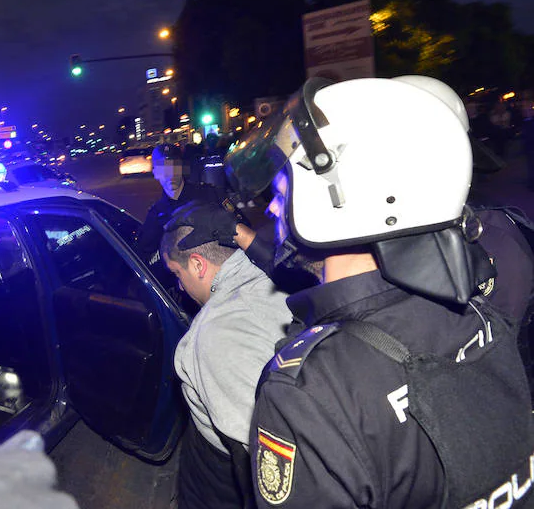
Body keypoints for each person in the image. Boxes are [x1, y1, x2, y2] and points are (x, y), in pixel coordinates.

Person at [221, 76, 534, 507]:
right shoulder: (481, 313)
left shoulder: (312, 387)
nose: (273, 208)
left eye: (282, 191)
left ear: (338, 198)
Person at [161, 201, 291, 509]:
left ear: (198, 265)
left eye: (177, 274)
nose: (180, 286)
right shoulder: (278, 275)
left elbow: (259, 462)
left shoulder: (213, 339)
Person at [134, 142, 226, 267]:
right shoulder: (155, 216)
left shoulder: (208, 195)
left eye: (174, 165)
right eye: (163, 167)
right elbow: (144, 257)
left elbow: (239, 226)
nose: (170, 173)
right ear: (155, 173)